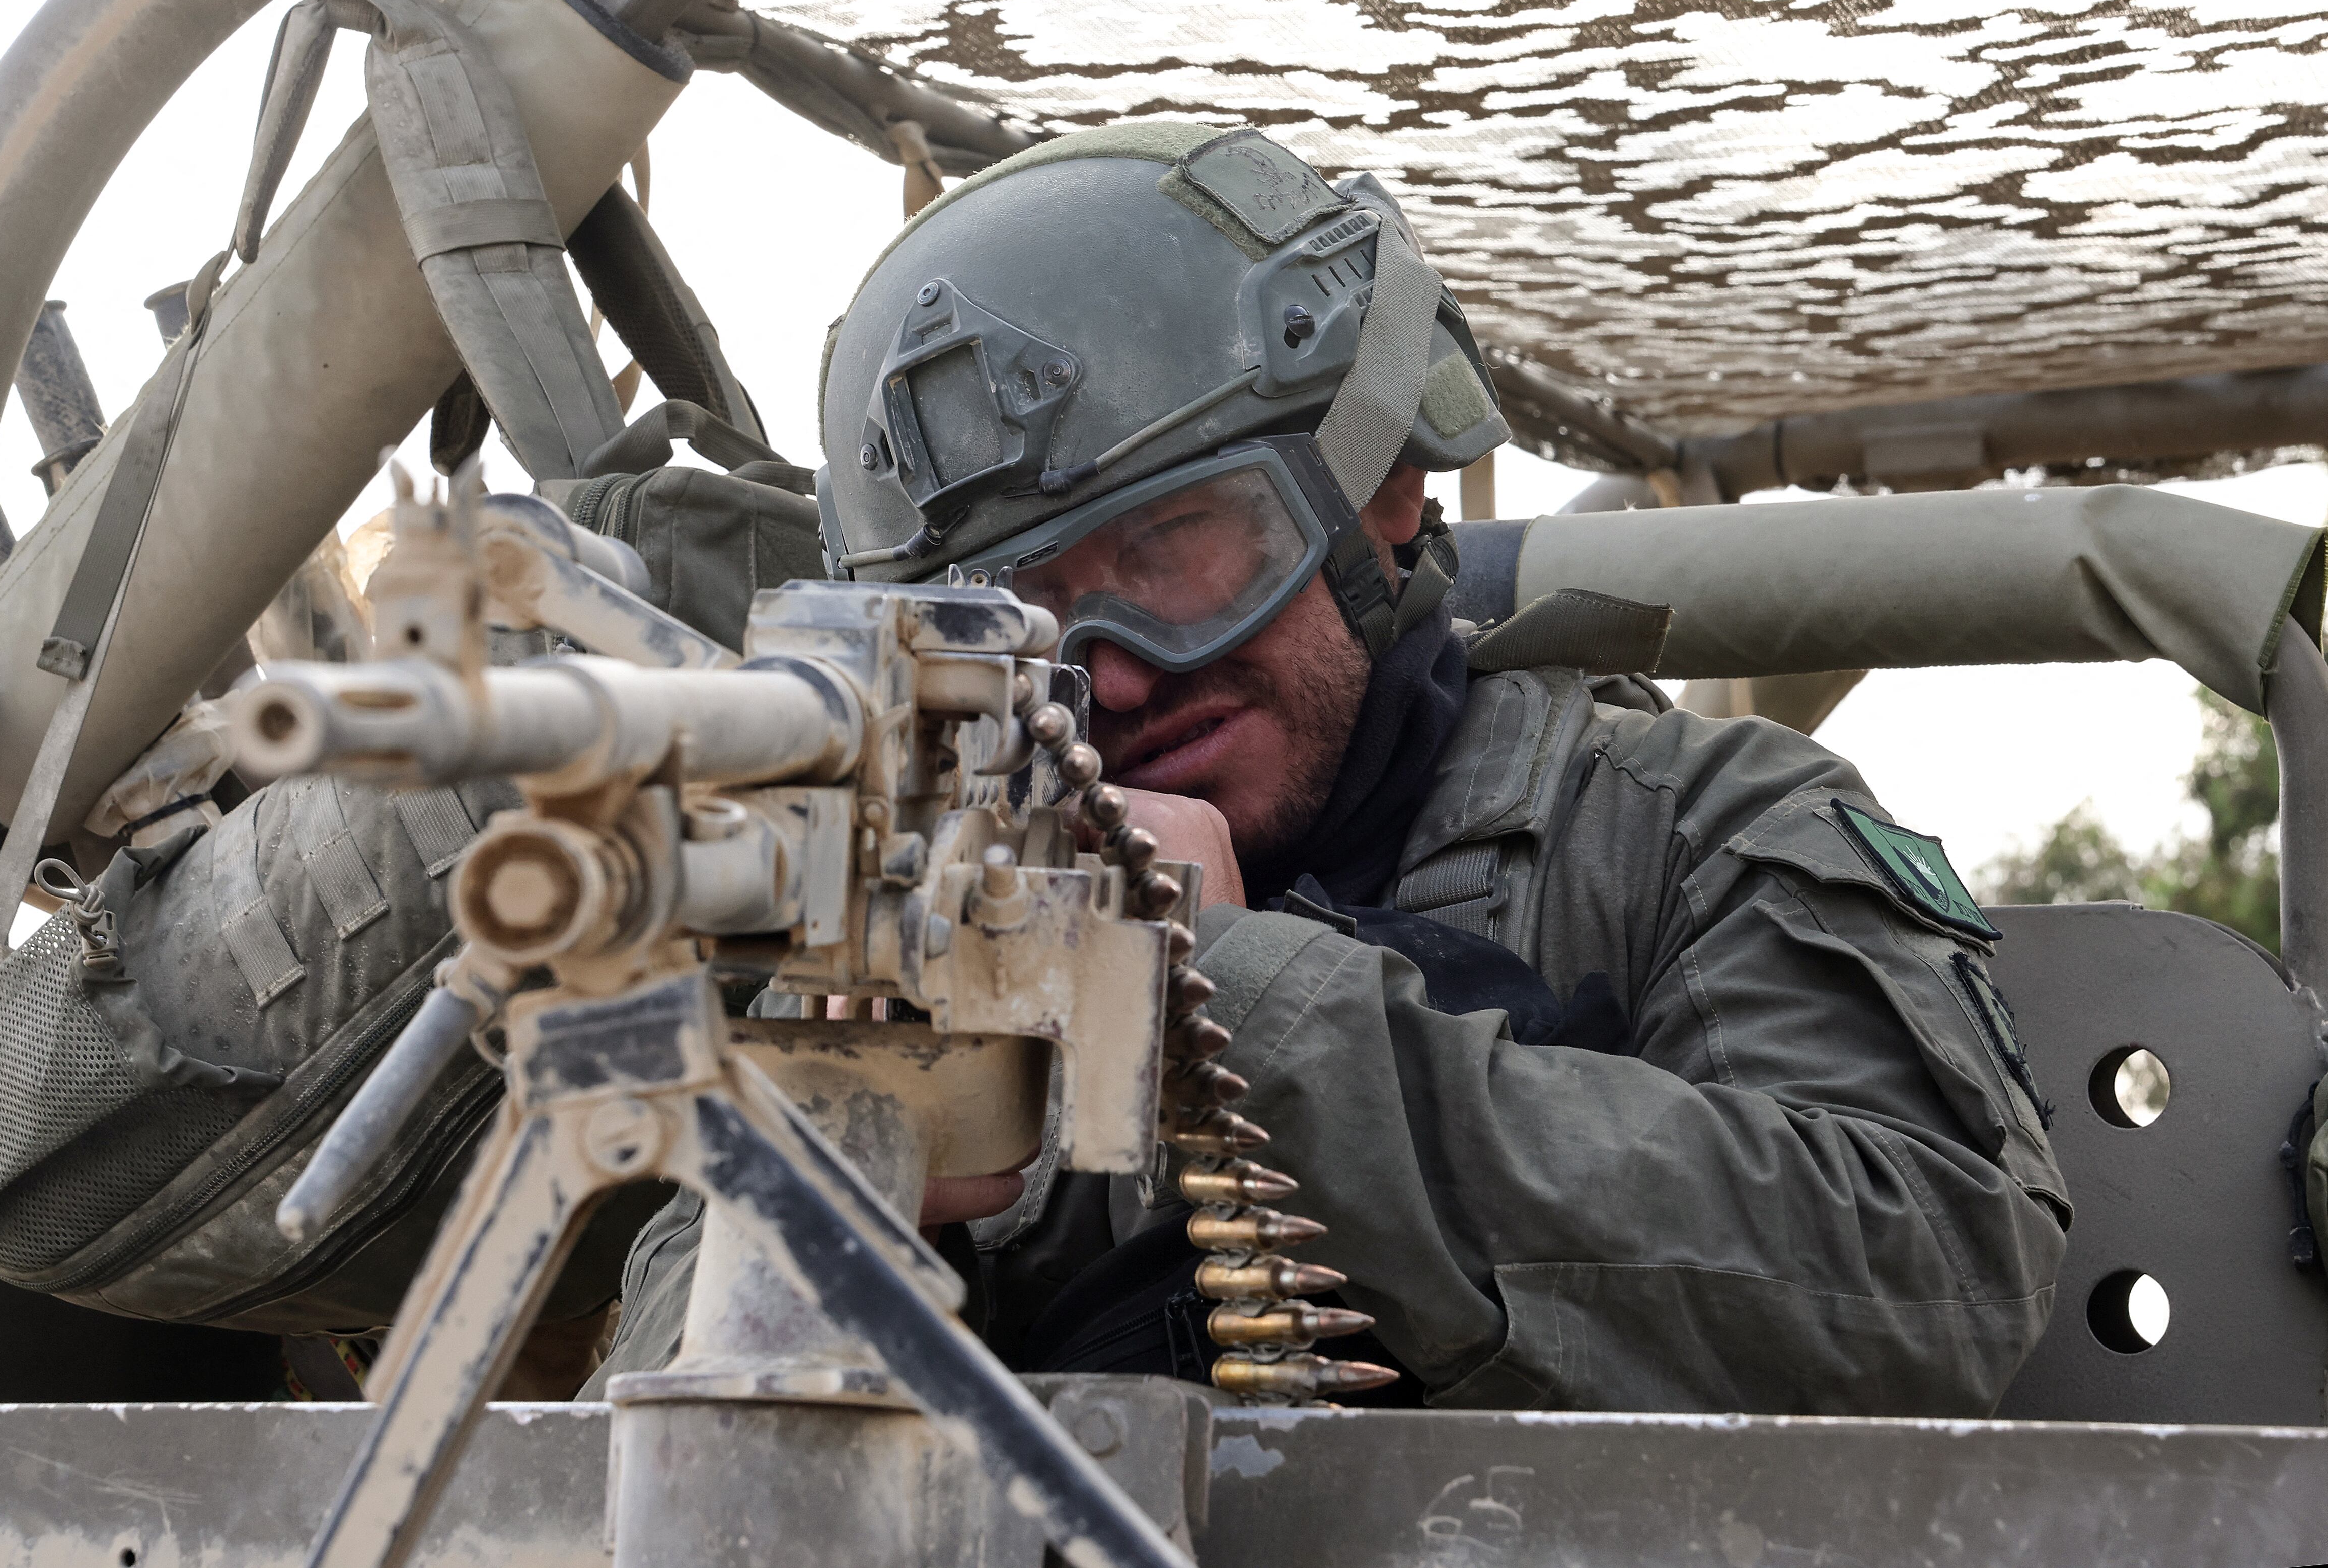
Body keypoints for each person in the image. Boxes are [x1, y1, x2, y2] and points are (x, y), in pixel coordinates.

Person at [586, 122, 2067, 1413]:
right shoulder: (929, 940)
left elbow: (1926, 1286)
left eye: (1172, 549)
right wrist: (821, 1228)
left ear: (1382, 487)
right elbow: (634, 1465)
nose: (1106, 670)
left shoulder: (1691, 834)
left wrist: (1229, 996)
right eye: (1018, 613)